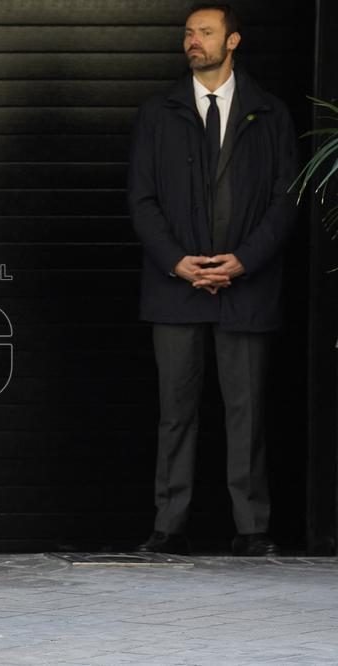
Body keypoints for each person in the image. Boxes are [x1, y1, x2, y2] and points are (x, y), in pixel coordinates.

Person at [128, 3, 297, 557]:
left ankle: (252, 529)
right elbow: (142, 200)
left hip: (246, 289)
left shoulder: (269, 113)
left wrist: (244, 260)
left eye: (205, 33)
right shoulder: (158, 114)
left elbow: (284, 201)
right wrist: (178, 261)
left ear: (233, 41)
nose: (192, 41)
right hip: (174, 288)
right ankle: (168, 525)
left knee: (246, 414)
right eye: (188, 33)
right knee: (175, 413)